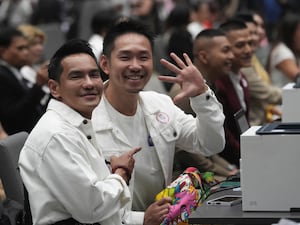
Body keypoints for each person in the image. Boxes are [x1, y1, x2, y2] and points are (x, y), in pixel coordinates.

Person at [92, 18, 225, 225]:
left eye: (143, 57)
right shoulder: (88, 120)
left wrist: (201, 95)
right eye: (125, 57)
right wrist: (141, 219)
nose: (135, 66)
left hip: (165, 217)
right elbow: (89, 203)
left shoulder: (160, 105)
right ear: (105, 64)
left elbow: (210, 144)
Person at [18, 39, 144, 225]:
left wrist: (145, 218)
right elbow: (93, 208)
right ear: (54, 88)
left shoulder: (78, 123)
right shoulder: (57, 135)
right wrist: (120, 174)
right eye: (76, 76)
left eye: (94, 75)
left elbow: (107, 212)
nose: (89, 84)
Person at [170, 28, 238, 178]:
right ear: (204, 57)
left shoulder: (211, 85)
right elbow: (185, 149)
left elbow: (209, 139)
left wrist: (229, 169)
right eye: (226, 51)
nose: (232, 56)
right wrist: (225, 173)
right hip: (188, 175)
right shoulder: (183, 92)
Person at [0, 27, 48, 135]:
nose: (26, 52)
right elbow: (13, 116)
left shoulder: (16, 71)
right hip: (22, 137)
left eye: (27, 47)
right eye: (20, 48)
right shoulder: (2, 76)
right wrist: (38, 85)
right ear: (3, 51)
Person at [217, 19, 252, 167]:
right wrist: (250, 153)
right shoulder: (219, 84)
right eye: (240, 45)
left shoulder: (242, 77)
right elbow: (224, 135)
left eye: (249, 43)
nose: (248, 50)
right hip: (230, 162)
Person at [18, 24, 51, 108]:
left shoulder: (37, 69)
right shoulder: (18, 74)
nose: (40, 48)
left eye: (40, 43)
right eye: (34, 44)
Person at [268, 13, 300, 88]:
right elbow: (298, 78)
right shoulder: (282, 52)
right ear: (290, 32)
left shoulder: (293, 50)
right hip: (281, 98)